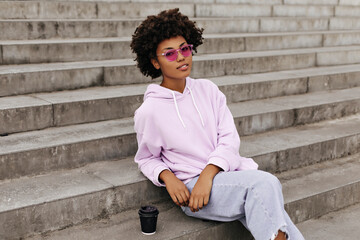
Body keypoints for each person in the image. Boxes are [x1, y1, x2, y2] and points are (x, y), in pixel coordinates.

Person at [130, 8, 305, 240]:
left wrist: (208, 175)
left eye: (185, 49)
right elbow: (146, 158)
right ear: (154, 62)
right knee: (264, 185)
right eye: (170, 54)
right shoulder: (150, 111)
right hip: (193, 191)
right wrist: (169, 178)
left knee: (267, 206)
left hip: (222, 176)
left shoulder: (208, 90)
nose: (181, 57)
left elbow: (229, 139)